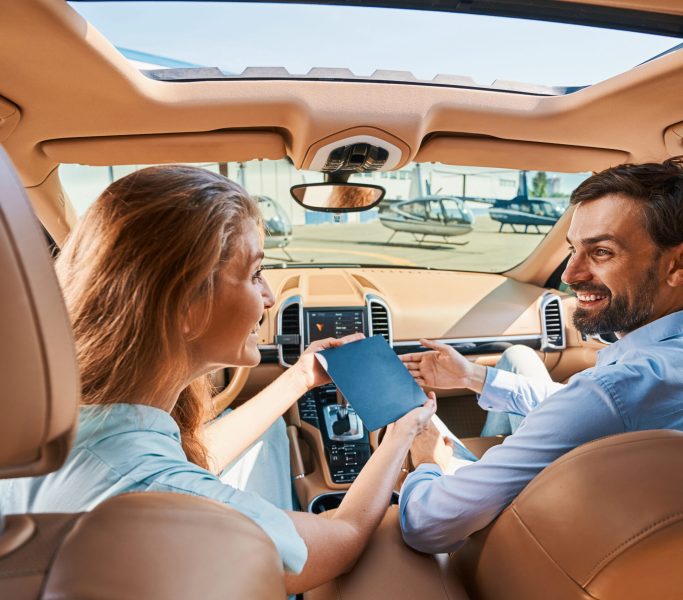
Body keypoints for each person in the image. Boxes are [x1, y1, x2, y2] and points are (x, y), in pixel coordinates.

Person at [0, 165, 435, 595]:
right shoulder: (168, 496)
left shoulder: (56, 427)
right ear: (187, 306)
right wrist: (402, 435)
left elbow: (187, 463)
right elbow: (342, 537)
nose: (268, 297)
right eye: (255, 274)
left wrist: (299, 379)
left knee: (272, 439)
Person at [398, 157, 683, 553]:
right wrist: (471, 376)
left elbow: (426, 525)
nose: (569, 275)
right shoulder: (639, 383)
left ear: (677, 264)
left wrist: (427, 464)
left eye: (600, 252)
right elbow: (587, 413)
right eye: (572, 250)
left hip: (530, 551)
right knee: (517, 355)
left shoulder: (611, 390)